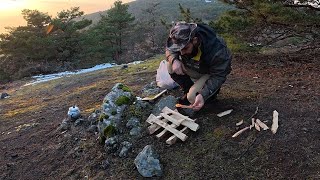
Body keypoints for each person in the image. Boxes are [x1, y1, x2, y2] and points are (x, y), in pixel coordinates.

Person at [166, 21, 232, 112]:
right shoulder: (179, 37)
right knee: (170, 65)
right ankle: (188, 89)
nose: (181, 53)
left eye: (185, 48)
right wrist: (174, 60)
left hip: (210, 73)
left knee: (193, 98)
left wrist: (203, 94)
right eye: (178, 49)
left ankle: (209, 99)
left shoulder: (217, 51)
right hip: (195, 67)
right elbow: (170, 50)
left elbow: (218, 76)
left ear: (195, 40)